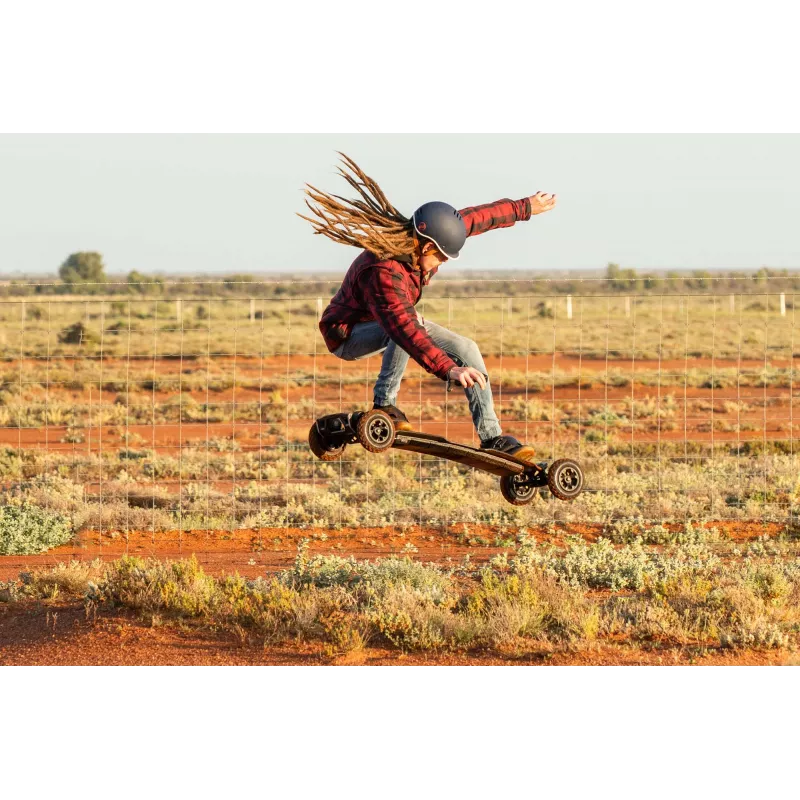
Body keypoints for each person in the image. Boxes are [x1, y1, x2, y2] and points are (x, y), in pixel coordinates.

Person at [299, 153, 556, 461]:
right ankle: (384, 406)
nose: (442, 263)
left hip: (395, 324)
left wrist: (525, 207)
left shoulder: (431, 234)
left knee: (467, 348)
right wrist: (447, 368)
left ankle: (493, 439)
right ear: (426, 245)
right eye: (441, 257)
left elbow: (476, 218)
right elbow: (404, 328)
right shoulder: (383, 271)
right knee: (410, 326)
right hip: (348, 334)